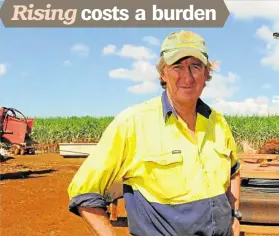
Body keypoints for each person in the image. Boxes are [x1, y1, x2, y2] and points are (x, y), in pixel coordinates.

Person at [67, 30, 242, 236]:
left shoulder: (218, 123)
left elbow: (233, 170)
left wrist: (235, 217)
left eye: (195, 66)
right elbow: (83, 191)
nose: (187, 76)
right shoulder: (132, 123)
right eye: (177, 66)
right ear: (163, 73)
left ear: (206, 74)